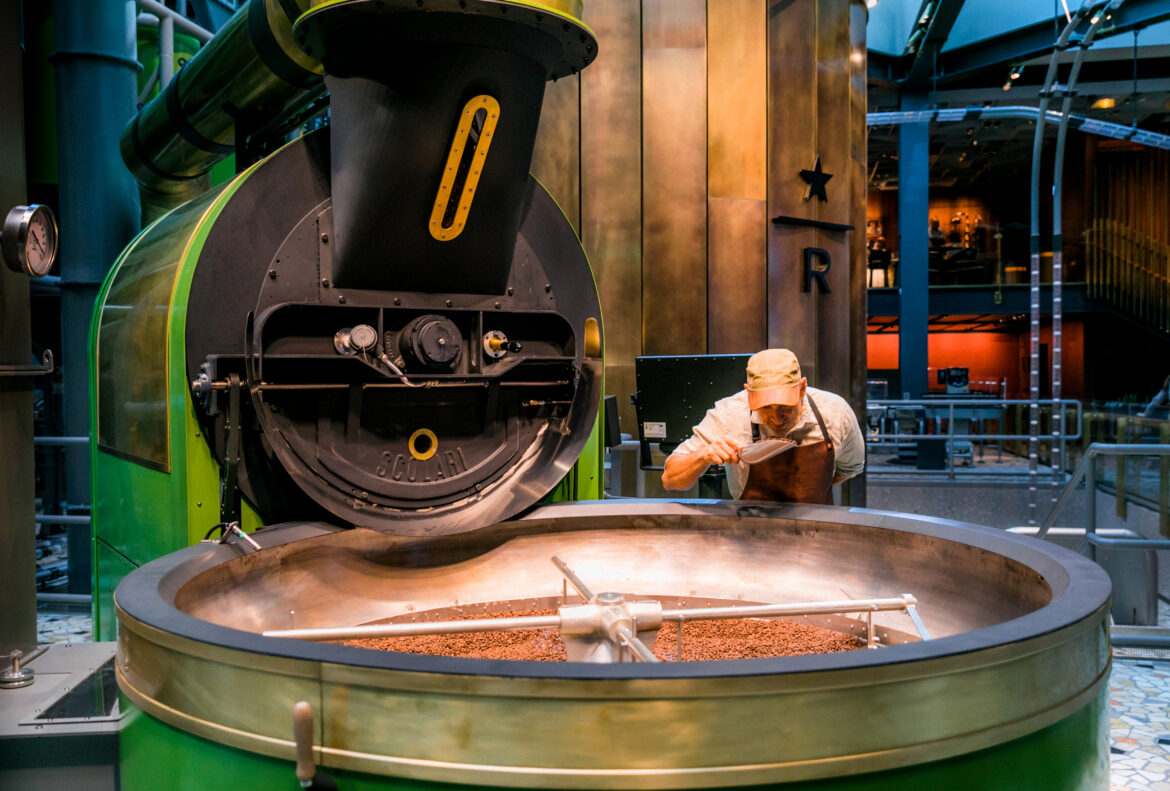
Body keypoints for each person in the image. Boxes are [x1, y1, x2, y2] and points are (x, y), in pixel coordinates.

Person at [661, 349, 864, 504]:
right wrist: (702, 456)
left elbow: (849, 468)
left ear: (802, 388)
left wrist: (812, 493)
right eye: (765, 407)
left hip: (816, 530)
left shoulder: (836, 414)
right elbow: (670, 479)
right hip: (751, 531)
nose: (776, 417)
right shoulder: (729, 414)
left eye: (785, 405)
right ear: (748, 393)